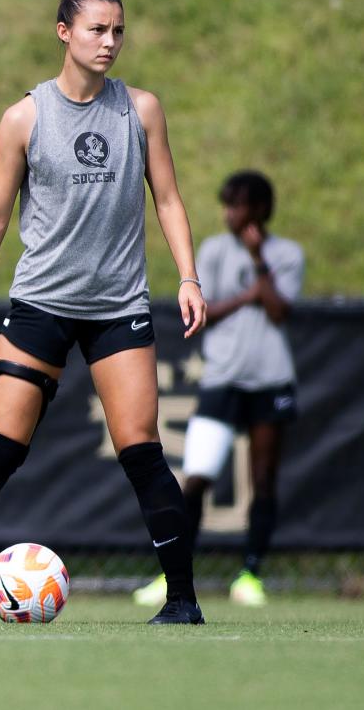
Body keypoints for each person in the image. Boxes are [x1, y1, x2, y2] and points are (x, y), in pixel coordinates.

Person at [0, 0, 208, 625]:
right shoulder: (25, 117)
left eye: (118, 30)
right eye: (97, 29)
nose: (110, 42)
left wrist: (187, 275)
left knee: (142, 452)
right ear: (64, 32)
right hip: (40, 306)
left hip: (118, 306)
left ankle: (182, 602)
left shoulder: (141, 110)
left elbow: (170, 200)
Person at [133, 171, 304, 608]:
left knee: (263, 480)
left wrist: (259, 260)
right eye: (227, 205)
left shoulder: (286, 254)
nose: (231, 214)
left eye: (239, 206)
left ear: (261, 209)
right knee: (197, 478)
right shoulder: (210, 251)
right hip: (221, 380)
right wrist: (249, 295)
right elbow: (203, 309)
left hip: (270, 380)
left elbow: (280, 310)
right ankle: (173, 575)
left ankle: (251, 574)